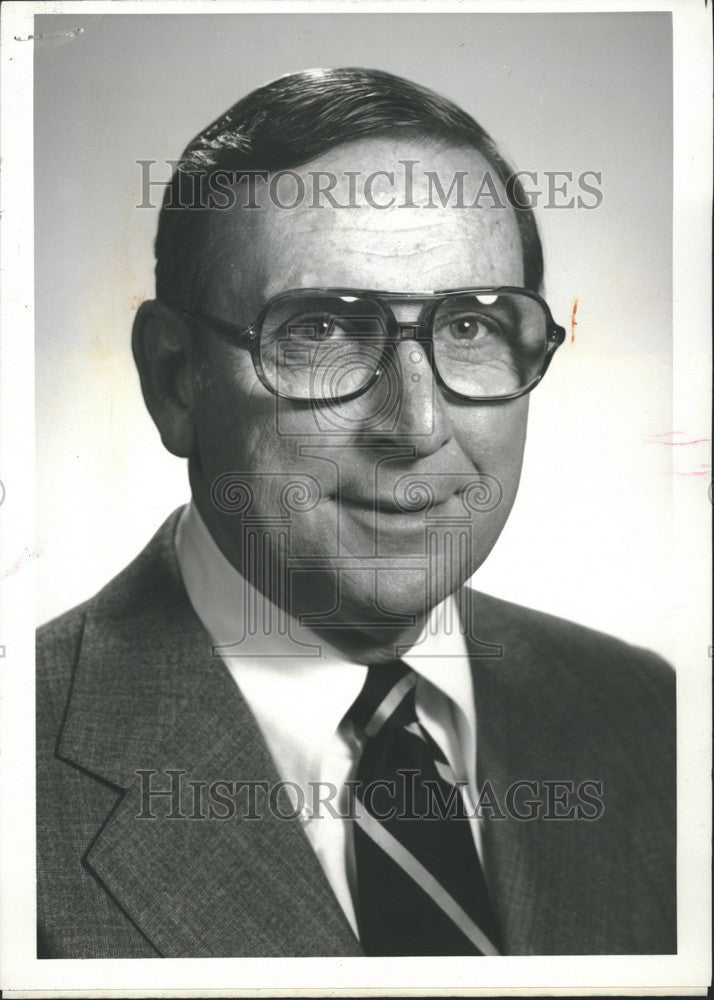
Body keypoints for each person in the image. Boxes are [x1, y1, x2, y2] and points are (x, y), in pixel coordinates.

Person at [36, 67, 675, 959]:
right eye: (324, 331)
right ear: (176, 379)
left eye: (470, 327)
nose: (413, 427)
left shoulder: (653, 717)